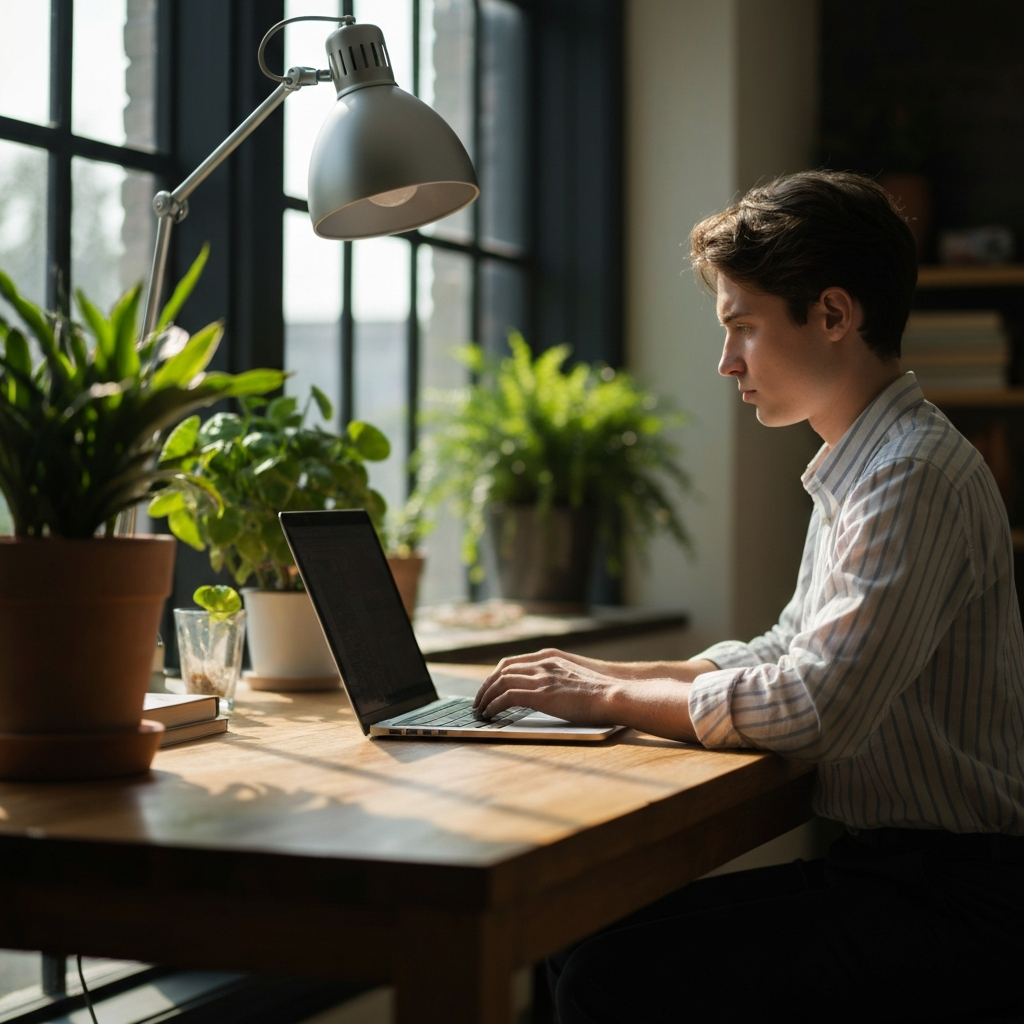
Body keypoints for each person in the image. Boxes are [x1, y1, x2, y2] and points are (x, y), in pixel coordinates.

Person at [473, 170, 1024, 1023]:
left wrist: (610, 695)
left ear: (834, 315)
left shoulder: (910, 473)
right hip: (896, 874)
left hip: (952, 900)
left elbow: (813, 706)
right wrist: (605, 675)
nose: (726, 361)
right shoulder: (867, 465)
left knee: (605, 975)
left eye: (743, 328)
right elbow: (788, 648)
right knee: (572, 938)